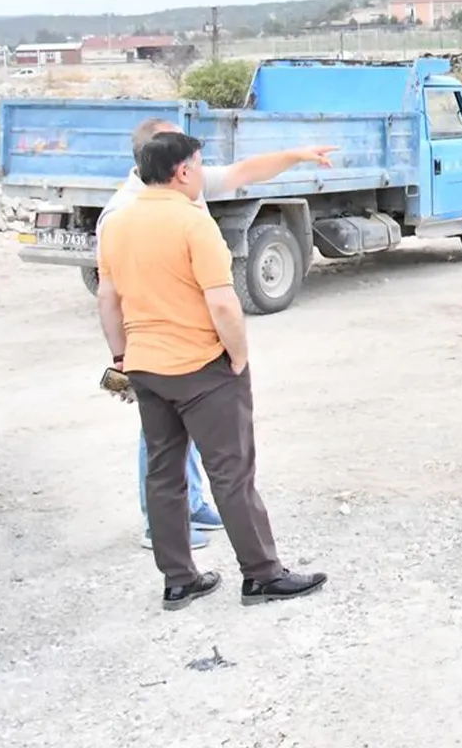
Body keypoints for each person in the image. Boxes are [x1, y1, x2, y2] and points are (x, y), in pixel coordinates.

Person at [97, 130, 328, 610]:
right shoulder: (193, 223)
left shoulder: (116, 221)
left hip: (146, 366)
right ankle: (262, 575)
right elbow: (222, 302)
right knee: (232, 473)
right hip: (201, 366)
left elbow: (108, 299)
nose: (202, 172)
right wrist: (238, 356)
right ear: (182, 171)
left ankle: (179, 581)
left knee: (163, 474)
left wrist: (122, 357)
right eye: (199, 164)